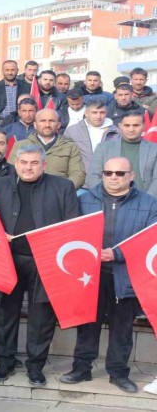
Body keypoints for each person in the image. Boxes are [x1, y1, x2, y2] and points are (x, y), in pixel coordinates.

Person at [60, 157, 157, 393]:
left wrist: (118, 254)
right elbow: (70, 232)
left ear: (131, 176)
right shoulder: (84, 199)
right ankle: (81, 368)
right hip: (90, 276)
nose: (113, 177)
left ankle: (118, 373)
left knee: (122, 328)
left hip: (126, 275)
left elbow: (152, 239)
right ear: (102, 174)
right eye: (108, 172)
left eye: (120, 173)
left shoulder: (149, 203)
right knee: (87, 325)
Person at [0, 145, 78, 386]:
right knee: (4, 313)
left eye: (34, 163)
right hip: (8, 259)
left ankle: (36, 366)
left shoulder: (63, 187)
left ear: (44, 165)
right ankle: (4, 362)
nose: (28, 167)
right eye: (24, 162)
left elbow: (72, 226)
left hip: (46, 261)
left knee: (42, 316)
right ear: (15, 163)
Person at [9, 109, 85, 189]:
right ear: (35, 124)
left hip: (59, 192)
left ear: (59, 125)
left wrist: (62, 191)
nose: (47, 125)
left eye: (51, 121)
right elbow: (12, 173)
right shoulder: (20, 145)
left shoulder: (70, 146)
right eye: (43, 121)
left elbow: (78, 174)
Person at [86, 111, 157, 197]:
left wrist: (146, 200)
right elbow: (93, 176)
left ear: (144, 126)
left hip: (145, 200)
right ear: (120, 126)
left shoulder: (154, 149)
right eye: (127, 125)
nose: (131, 129)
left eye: (136, 125)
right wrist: (107, 197)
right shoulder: (103, 148)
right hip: (108, 199)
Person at [64, 100, 120, 173]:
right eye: (94, 112)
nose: (98, 116)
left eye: (102, 112)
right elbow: (65, 156)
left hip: (108, 175)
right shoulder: (72, 131)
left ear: (106, 113)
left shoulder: (117, 132)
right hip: (80, 175)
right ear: (86, 114)